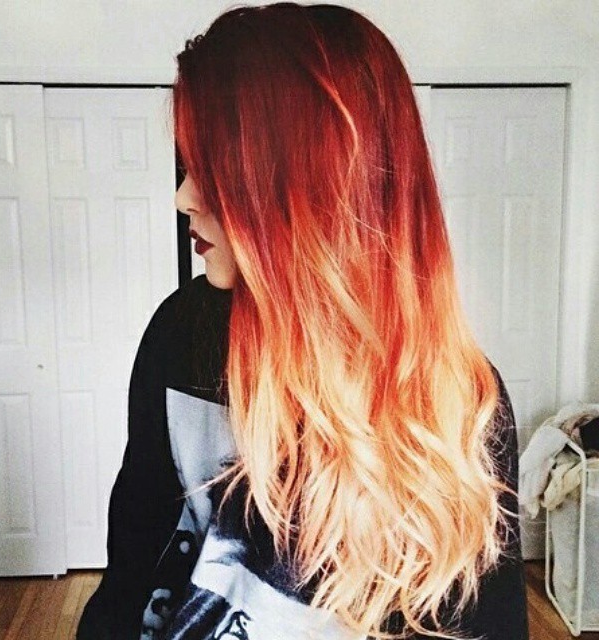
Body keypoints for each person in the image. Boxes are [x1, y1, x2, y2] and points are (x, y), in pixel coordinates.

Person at [77, 3, 529, 639]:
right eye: (187, 164)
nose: (183, 197)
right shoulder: (181, 333)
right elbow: (131, 570)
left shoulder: (460, 404)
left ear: (311, 183)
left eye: (214, 167)